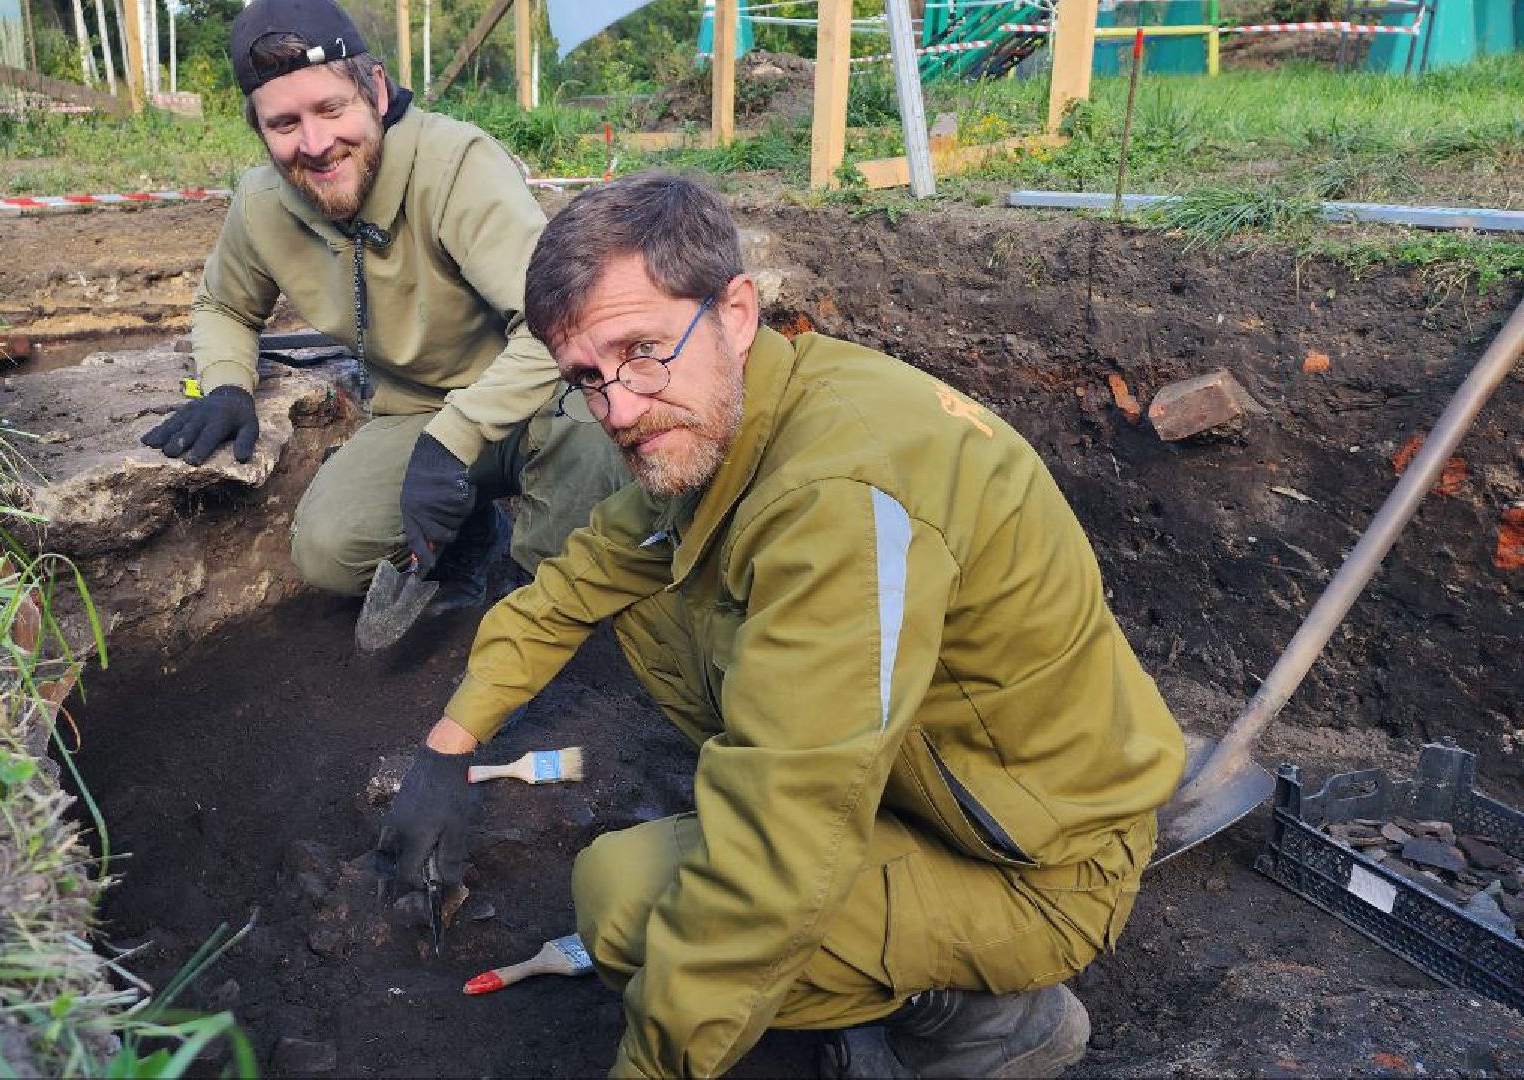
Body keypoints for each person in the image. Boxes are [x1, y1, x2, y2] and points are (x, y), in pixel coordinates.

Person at [374, 173, 1187, 1079]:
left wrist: (653, 1066)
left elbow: (777, 848)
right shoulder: (738, 416)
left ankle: (981, 1017)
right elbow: (575, 581)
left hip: (1039, 869)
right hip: (937, 793)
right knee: (647, 618)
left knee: (629, 913)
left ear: (735, 312)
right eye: (586, 380)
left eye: (641, 351)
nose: (619, 408)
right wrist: (447, 749)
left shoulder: (836, 495)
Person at [142, 0, 628, 603]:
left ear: (374, 89)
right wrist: (226, 385)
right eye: (284, 124)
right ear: (259, 129)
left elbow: (555, 325)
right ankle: (475, 535)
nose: (316, 144)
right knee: (328, 550)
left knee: (588, 470)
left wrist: (456, 438)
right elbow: (224, 305)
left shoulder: (456, 166)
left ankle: (543, 593)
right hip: (419, 411)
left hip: (543, 400)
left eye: (330, 109)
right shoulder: (261, 202)